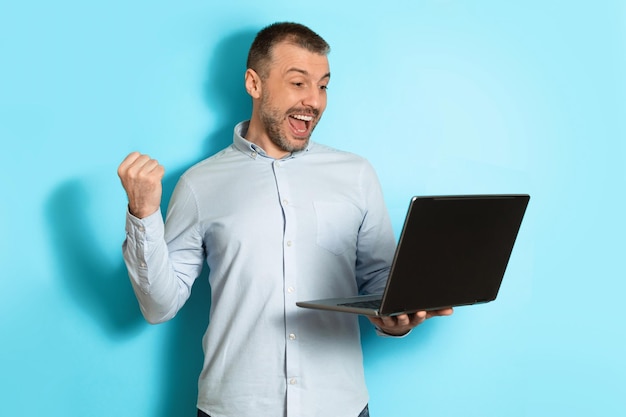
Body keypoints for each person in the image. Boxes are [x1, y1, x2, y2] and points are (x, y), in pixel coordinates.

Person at [117, 22, 453, 417]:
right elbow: (159, 306)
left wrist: (397, 320)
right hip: (236, 408)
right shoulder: (199, 183)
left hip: (339, 406)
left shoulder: (356, 174)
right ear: (254, 84)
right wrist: (143, 214)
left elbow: (380, 287)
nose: (314, 101)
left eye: (323, 85)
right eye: (298, 83)